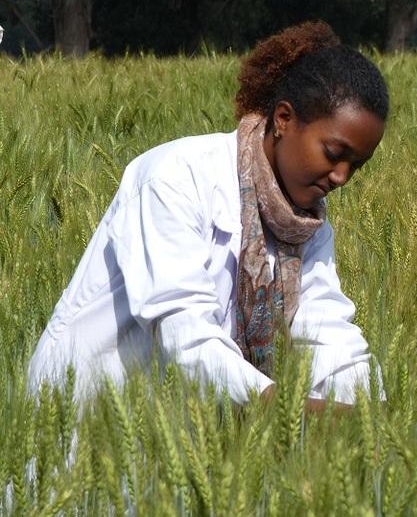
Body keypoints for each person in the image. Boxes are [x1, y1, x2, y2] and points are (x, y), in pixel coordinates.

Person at [27, 21, 389, 408]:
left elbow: (324, 328)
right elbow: (183, 328)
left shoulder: (307, 224)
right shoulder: (174, 177)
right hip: (84, 412)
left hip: (176, 433)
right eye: (334, 154)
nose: (341, 177)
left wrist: (369, 412)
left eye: (358, 165)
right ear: (284, 119)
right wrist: (277, 406)